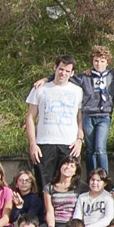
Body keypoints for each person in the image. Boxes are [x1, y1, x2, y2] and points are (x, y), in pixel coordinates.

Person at [26, 55, 85, 193]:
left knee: (70, 185)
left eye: (67, 71)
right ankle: (47, 214)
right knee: (45, 186)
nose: (63, 73)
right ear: (55, 68)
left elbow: (80, 119)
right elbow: (30, 117)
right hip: (44, 143)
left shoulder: (77, 91)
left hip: (69, 144)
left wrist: (80, 140)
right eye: (60, 69)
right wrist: (33, 144)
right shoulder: (40, 89)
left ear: (72, 73)